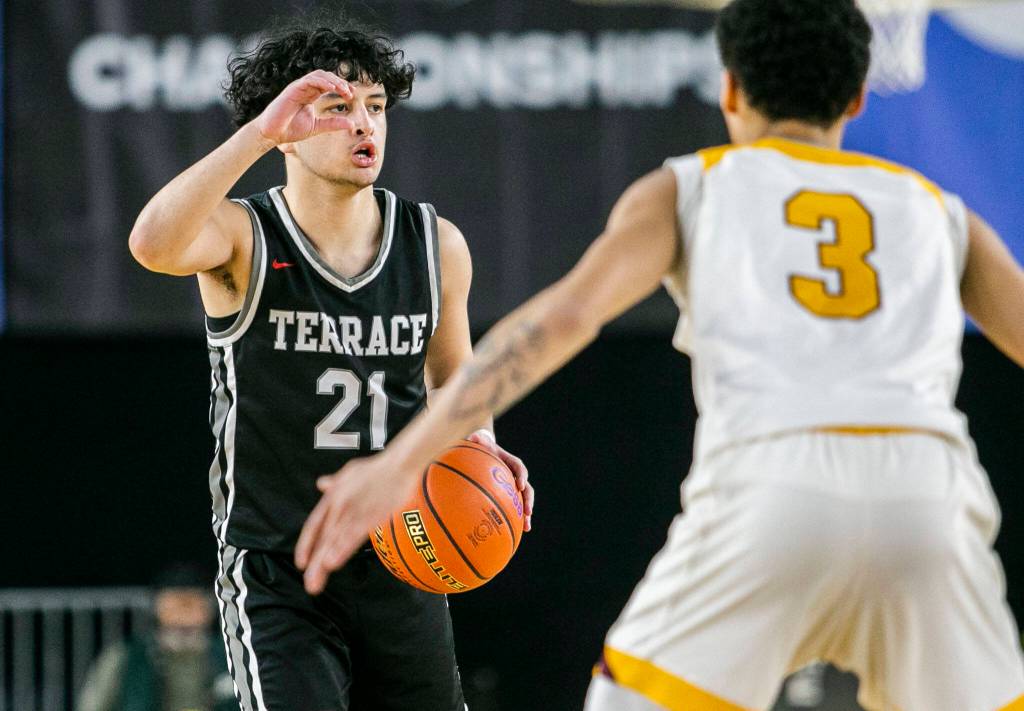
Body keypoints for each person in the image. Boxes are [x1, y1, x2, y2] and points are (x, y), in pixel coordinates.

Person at [293, 1, 1024, 709]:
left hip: (771, 486)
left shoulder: (695, 183)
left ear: (729, 86)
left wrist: (401, 460)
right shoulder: (939, 209)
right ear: (860, 97)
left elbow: (560, 320)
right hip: (931, 499)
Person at [128, 16, 533, 711]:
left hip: (401, 552)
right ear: (287, 123)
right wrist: (256, 134)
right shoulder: (242, 237)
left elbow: (453, 381)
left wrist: (483, 449)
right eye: (338, 107)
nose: (364, 125)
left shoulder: (435, 243)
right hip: (280, 568)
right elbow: (152, 243)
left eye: (375, 107)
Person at [77, 563, 235, 711]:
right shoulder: (127, 656)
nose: (182, 613)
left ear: (210, 607)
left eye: (192, 604)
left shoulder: (232, 657)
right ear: (157, 608)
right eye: (173, 605)